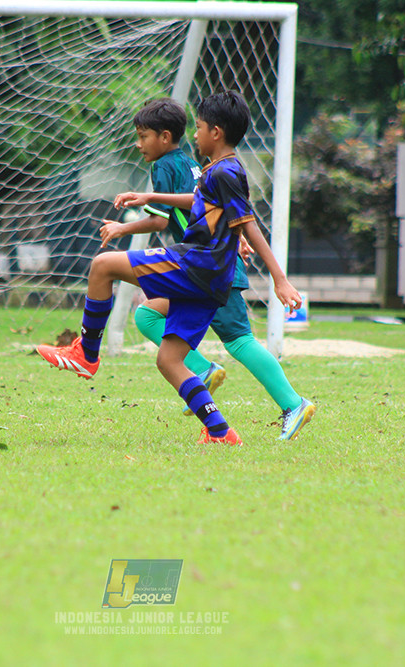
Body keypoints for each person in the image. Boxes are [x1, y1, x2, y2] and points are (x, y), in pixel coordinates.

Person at [37, 91, 301, 445]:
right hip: (210, 278)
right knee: (170, 360)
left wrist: (279, 279)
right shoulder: (218, 169)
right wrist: (155, 199)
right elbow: (210, 206)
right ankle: (220, 432)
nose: (195, 134)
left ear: (217, 133)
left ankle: (86, 353)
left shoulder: (222, 170)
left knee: (102, 266)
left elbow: (248, 222)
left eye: (202, 127)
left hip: (196, 265)